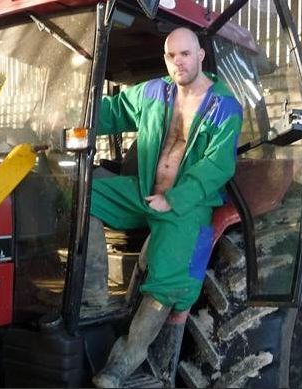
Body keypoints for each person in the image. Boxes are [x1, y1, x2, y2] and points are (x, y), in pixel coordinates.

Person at [84, 27, 243, 388]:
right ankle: (92, 296)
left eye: (185, 54)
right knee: (85, 193)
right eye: (171, 56)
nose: (178, 62)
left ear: (201, 55)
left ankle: (123, 363)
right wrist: (74, 113)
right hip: (143, 191)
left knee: (168, 284)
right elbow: (114, 110)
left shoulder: (225, 108)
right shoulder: (154, 92)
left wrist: (173, 198)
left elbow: (216, 166)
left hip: (186, 204)